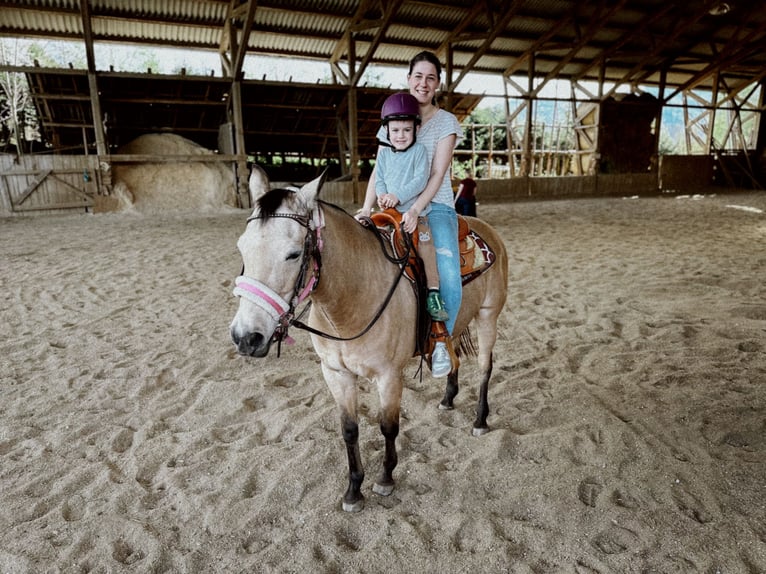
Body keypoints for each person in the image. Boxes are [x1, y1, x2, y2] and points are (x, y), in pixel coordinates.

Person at [358, 50, 463, 378]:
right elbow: (380, 168)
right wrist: (366, 206)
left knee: (449, 277)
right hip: (391, 206)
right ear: (409, 79)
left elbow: (436, 173)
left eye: (431, 78)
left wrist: (417, 209)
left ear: (438, 84)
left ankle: (441, 340)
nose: (424, 83)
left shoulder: (446, 123)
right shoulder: (394, 116)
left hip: (435, 205)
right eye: (418, 76)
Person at [374, 92, 449, 323]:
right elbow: (379, 178)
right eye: (395, 130)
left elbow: (420, 181)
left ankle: (433, 293)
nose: (401, 135)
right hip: (388, 213)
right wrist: (382, 195)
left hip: (415, 212)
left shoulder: (419, 152)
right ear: (387, 130)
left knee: (426, 247)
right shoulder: (384, 154)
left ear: (416, 129)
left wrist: (397, 196)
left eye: (407, 130)